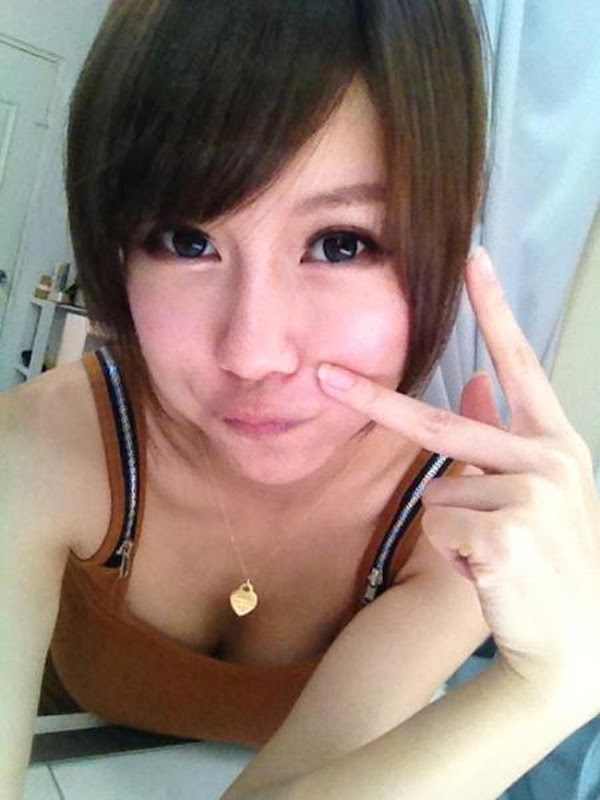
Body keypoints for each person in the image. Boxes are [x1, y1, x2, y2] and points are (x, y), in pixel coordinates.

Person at [1, 1, 598, 798]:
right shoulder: (41, 447)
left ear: (447, 236)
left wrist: (552, 687)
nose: (253, 352)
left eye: (341, 244)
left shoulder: (454, 523)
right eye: (187, 241)